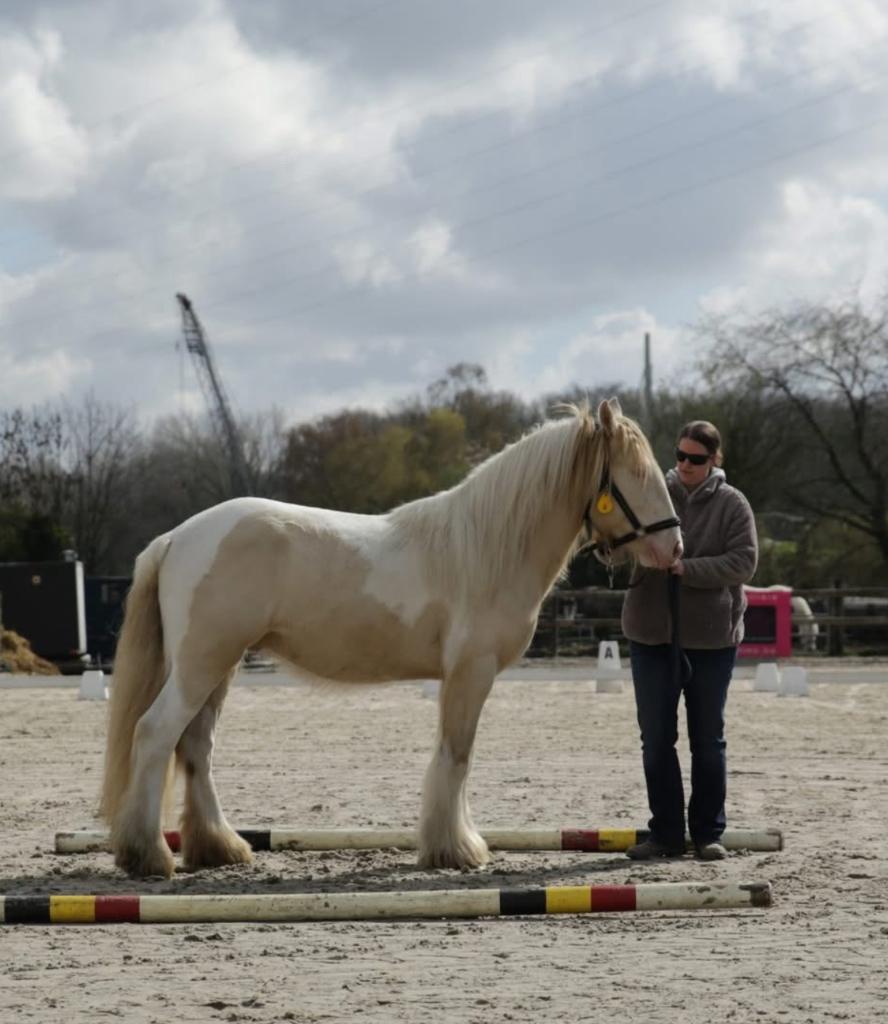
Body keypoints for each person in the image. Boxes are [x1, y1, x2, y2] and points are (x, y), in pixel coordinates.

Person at [621, 420, 758, 860]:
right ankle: (664, 831)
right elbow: (622, 542)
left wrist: (688, 569)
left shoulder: (734, 505)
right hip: (650, 634)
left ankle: (707, 833)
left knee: (708, 738)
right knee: (656, 738)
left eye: (695, 459)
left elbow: (744, 563)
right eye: (679, 455)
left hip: (711, 640)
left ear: (715, 460)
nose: (684, 465)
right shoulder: (654, 494)